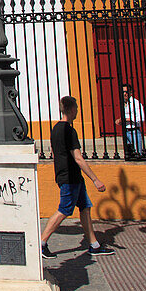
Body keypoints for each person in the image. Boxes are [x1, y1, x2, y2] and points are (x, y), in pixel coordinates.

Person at [41, 96, 115, 259]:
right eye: (76, 108)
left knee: (85, 207)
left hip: (70, 175)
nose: (78, 111)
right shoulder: (69, 130)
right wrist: (95, 179)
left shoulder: (56, 129)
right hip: (70, 177)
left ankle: (94, 245)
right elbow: (78, 157)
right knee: (64, 210)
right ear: (71, 109)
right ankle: (41, 243)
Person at [114, 84, 145, 156]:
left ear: (131, 92)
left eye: (126, 92)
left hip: (134, 131)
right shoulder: (124, 103)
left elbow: (141, 118)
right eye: (123, 92)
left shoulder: (135, 103)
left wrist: (127, 119)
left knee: (137, 154)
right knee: (129, 155)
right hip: (126, 132)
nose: (124, 94)